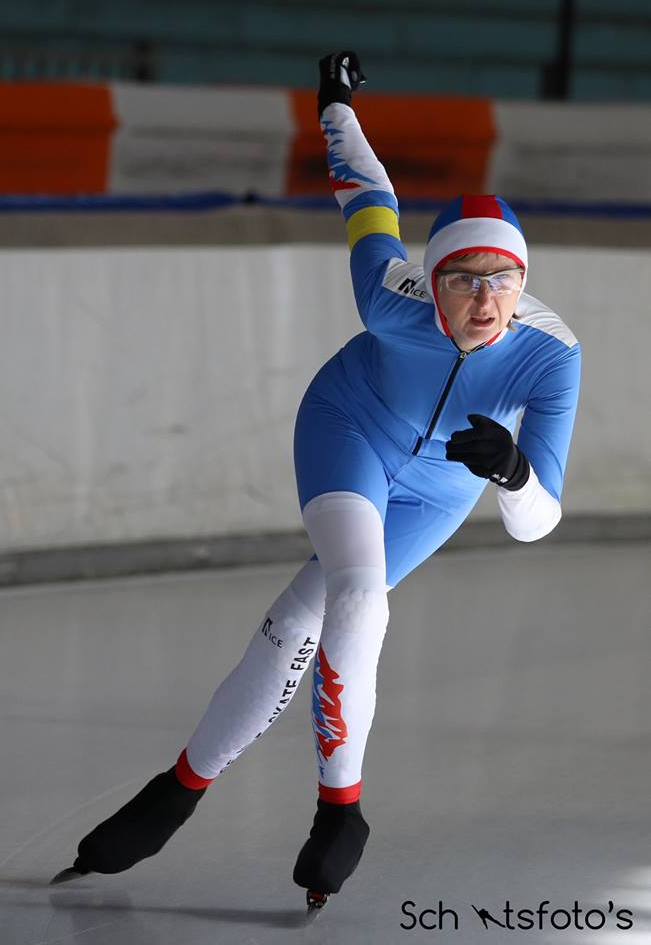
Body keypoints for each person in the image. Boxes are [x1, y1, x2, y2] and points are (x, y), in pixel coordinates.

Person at [51, 52, 581, 910]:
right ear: (431, 281)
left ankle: (177, 790)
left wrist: (515, 473)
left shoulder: (551, 357)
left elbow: (536, 523)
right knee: (358, 597)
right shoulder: (387, 294)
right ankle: (343, 810)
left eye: (502, 281)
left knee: (306, 613)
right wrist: (334, 107)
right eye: (462, 280)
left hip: (439, 489)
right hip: (348, 429)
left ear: (522, 288)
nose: (483, 302)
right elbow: (368, 195)